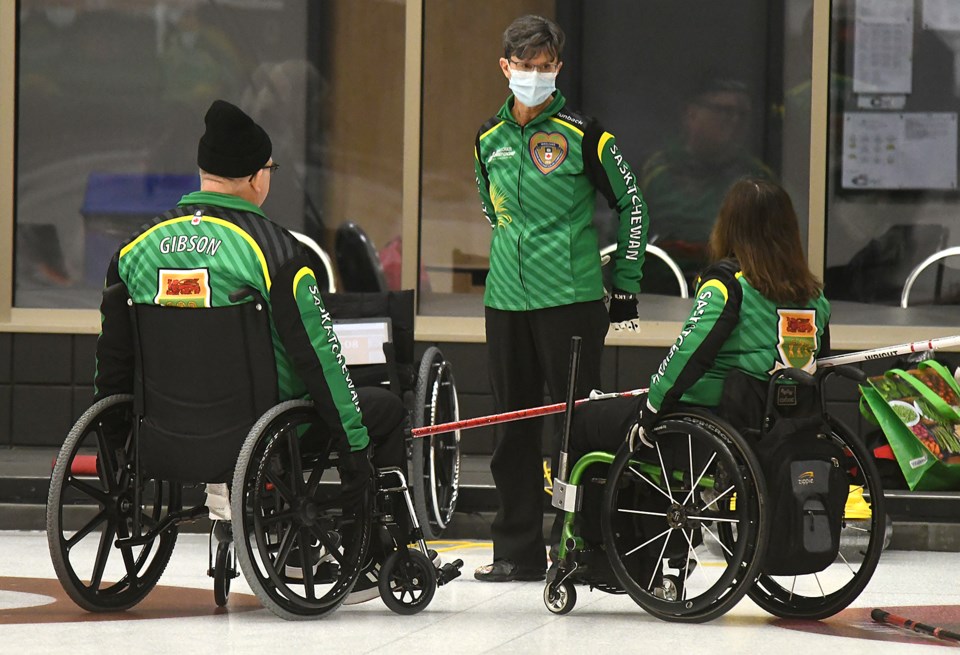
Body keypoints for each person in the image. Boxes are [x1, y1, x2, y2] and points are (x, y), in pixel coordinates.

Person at [92, 99, 409, 603]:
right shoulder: (279, 252)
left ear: (204, 172)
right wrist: (352, 445)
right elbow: (319, 358)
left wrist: (115, 440)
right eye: (270, 169)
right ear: (256, 177)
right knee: (386, 410)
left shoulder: (135, 249)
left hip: (164, 432)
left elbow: (114, 359)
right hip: (264, 435)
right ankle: (371, 550)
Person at [473, 15, 648, 582]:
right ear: (505, 68)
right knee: (512, 429)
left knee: (578, 431)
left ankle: (583, 549)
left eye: (546, 67)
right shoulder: (487, 139)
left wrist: (625, 281)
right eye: (525, 67)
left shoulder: (584, 134)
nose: (536, 77)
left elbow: (634, 206)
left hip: (569, 301)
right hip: (504, 302)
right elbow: (490, 210)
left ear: (559, 68)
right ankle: (515, 553)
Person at [568, 177, 830, 486]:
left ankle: (585, 530)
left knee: (581, 421)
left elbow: (688, 355)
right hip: (776, 435)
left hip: (711, 429)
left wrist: (652, 407)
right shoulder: (816, 298)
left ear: (729, 227)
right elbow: (818, 371)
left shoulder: (727, 286)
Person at [640, 76, 773, 286]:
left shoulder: (757, 177)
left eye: (743, 115)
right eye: (724, 111)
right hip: (658, 289)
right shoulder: (654, 170)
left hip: (735, 291)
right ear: (691, 114)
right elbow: (621, 238)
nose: (735, 121)